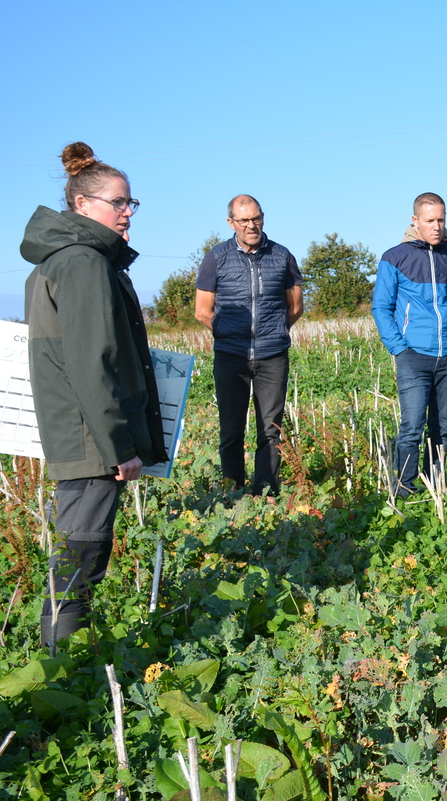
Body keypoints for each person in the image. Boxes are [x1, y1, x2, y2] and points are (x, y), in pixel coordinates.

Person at [22, 142, 168, 647]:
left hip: (80, 434)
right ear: (83, 206)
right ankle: (59, 673)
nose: (128, 212)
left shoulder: (59, 260)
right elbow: (92, 364)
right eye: (118, 202)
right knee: (80, 558)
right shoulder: (83, 262)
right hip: (90, 440)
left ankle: (63, 662)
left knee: (78, 553)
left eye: (131, 203)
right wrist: (118, 446)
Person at [372, 193, 447, 496]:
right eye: (430, 220)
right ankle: (404, 488)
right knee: (412, 426)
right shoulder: (395, 257)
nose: (437, 226)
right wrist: (398, 348)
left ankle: (435, 484)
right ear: (415, 220)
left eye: (441, 219)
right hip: (413, 356)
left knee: (442, 427)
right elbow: (381, 307)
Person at [194, 195, 303, 495]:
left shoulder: (282, 256)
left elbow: (295, 306)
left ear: (263, 218)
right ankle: (233, 491)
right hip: (231, 357)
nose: (251, 225)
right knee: (231, 430)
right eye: (244, 220)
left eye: (256, 218)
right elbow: (202, 310)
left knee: (270, 430)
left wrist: (273, 331)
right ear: (231, 223)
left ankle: (265, 492)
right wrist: (228, 331)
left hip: (272, 356)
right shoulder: (216, 258)